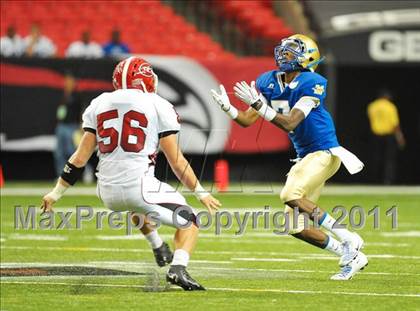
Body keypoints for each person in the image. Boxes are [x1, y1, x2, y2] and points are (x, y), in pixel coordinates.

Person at [41, 56, 221, 291]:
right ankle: (178, 269)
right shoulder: (157, 104)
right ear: (145, 79)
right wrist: (200, 192)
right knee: (190, 221)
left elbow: (79, 158)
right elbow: (176, 161)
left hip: (106, 191)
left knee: (138, 206)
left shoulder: (100, 102)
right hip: (139, 186)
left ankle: (157, 246)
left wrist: (55, 194)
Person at [211, 34, 368, 281]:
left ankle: (348, 237)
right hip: (305, 157)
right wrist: (228, 108)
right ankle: (349, 255)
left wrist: (259, 105)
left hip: (324, 152)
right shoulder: (269, 82)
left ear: (307, 57)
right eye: (283, 50)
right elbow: (246, 120)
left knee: (289, 194)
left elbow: (290, 122)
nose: (284, 55)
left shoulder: (312, 82)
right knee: (294, 227)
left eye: (291, 50)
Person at [367, 90, 405, 184]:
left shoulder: (372, 106)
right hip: (388, 136)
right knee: (389, 159)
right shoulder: (390, 107)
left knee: (375, 157)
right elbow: (395, 124)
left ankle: (374, 179)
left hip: (375, 135)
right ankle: (387, 180)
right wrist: (400, 137)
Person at [54, 73, 83, 177]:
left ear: (74, 83)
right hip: (61, 126)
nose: (67, 83)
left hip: (72, 126)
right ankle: (60, 176)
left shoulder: (76, 96)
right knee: (59, 153)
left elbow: (80, 112)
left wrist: (80, 126)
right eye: (66, 81)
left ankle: (77, 173)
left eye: (69, 81)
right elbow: (60, 112)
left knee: (72, 152)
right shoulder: (62, 95)